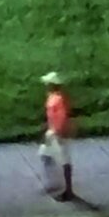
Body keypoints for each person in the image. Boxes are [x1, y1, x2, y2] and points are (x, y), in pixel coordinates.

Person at [41, 72, 75, 202]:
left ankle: (67, 190)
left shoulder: (59, 99)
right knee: (46, 156)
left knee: (63, 161)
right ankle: (56, 185)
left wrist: (56, 131)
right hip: (53, 132)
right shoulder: (53, 97)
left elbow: (62, 117)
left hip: (59, 134)